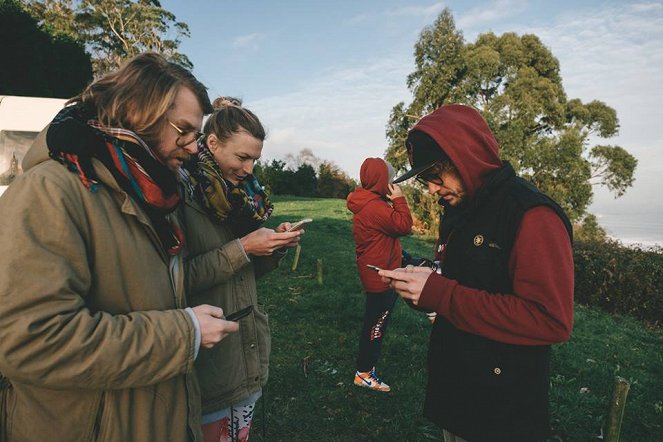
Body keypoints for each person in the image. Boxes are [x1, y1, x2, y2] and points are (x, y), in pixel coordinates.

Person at [0, 53, 241, 442]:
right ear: (136, 112)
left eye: (196, 134)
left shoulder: (157, 196)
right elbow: (31, 341)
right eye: (184, 130)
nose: (194, 147)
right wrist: (184, 334)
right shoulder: (50, 192)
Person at [381, 104, 574, 442]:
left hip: (502, 413)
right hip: (458, 395)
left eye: (434, 177)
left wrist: (440, 293)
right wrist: (425, 285)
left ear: (465, 158)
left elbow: (550, 320)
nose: (430, 190)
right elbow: (464, 283)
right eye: (425, 181)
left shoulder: (531, 214)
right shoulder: (459, 207)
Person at [181, 97, 302, 442]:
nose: (250, 170)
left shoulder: (240, 199)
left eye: (255, 159)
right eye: (242, 157)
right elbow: (174, 281)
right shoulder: (183, 196)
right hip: (209, 368)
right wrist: (244, 247)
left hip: (245, 358)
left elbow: (242, 274)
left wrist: (271, 249)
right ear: (213, 143)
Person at [346, 157, 413, 392]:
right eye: (390, 179)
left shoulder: (369, 201)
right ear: (380, 181)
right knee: (375, 325)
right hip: (379, 276)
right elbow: (404, 225)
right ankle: (364, 372)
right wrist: (399, 199)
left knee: (376, 321)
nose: (392, 183)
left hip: (382, 266)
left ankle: (431, 304)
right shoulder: (375, 207)